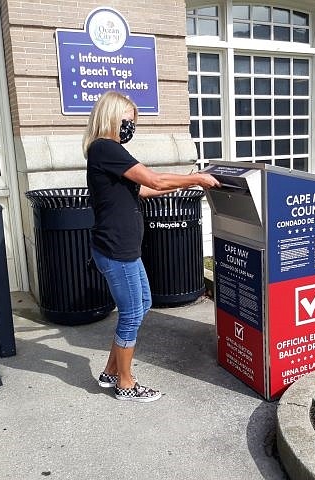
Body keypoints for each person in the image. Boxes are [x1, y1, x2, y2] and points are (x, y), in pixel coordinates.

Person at [82, 91, 220, 402]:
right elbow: (155, 180)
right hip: (117, 250)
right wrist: (195, 179)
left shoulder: (107, 152)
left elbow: (143, 189)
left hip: (122, 248)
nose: (132, 127)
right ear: (113, 118)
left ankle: (110, 370)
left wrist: (182, 181)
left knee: (142, 304)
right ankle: (126, 384)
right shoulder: (106, 148)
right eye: (129, 121)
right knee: (132, 313)